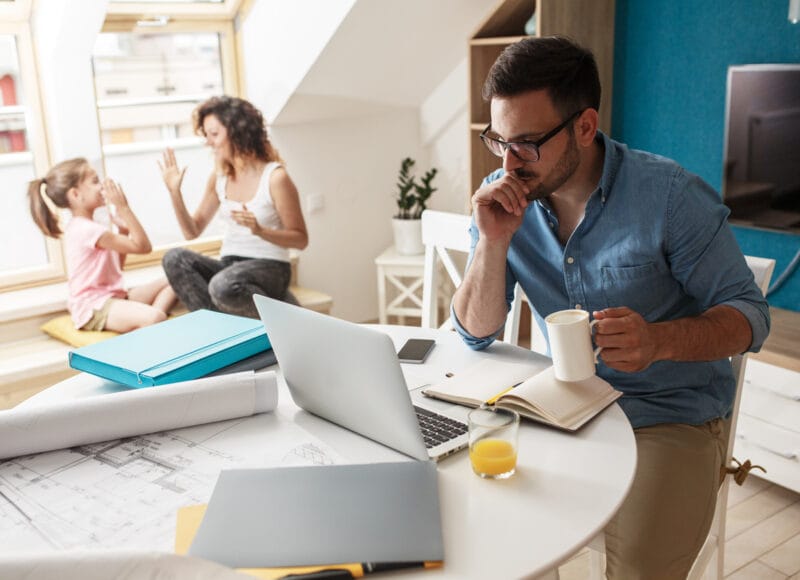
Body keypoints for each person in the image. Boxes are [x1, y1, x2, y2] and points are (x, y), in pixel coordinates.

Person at [451, 36, 770, 580]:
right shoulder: (503, 197)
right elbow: (475, 333)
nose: (508, 163)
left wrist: (659, 341)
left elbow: (751, 315)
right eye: (497, 140)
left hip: (670, 416)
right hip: (564, 408)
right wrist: (493, 242)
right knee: (486, 537)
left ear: (583, 126)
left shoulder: (669, 197)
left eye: (526, 143)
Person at [158, 95, 308, 319]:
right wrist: (174, 193)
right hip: (230, 268)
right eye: (207, 135)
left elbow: (300, 239)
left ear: (238, 132)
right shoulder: (219, 178)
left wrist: (261, 231)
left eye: (215, 134)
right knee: (174, 259)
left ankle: (274, 318)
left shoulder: (275, 178)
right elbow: (192, 231)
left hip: (270, 268)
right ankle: (221, 328)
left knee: (222, 286)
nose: (209, 142)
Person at [28, 158, 176, 333]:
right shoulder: (87, 230)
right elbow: (144, 247)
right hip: (93, 307)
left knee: (175, 280)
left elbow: (115, 269)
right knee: (155, 317)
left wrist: (123, 231)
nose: (102, 186)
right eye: (95, 181)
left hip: (112, 298)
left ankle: (151, 324)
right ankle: (153, 321)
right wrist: (124, 208)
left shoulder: (88, 227)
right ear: (75, 195)